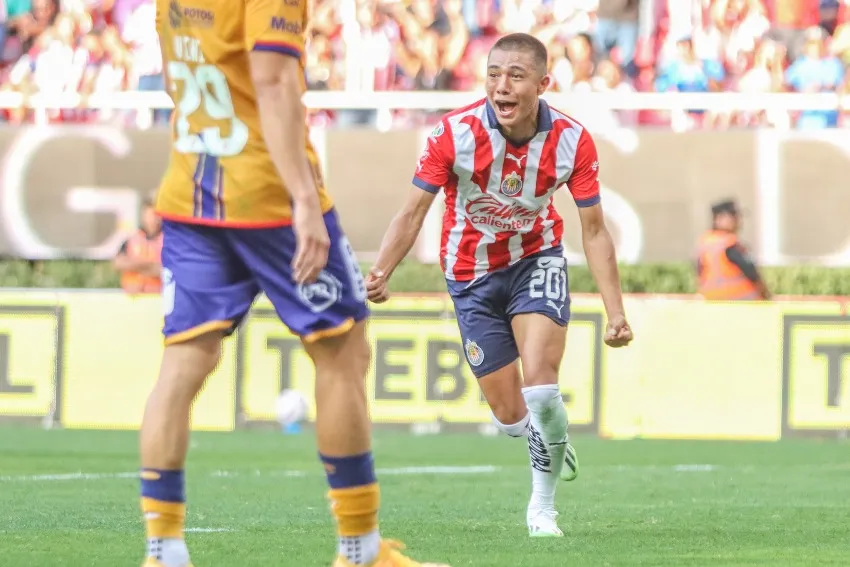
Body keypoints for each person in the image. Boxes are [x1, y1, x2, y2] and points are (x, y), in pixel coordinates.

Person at [141, 1, 450, 566]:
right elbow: (274, 79)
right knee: (341, 350)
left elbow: (172, 74)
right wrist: (304, 199)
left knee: (182, 362)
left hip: (191, 189)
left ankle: (163, 551)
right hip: (269, 195)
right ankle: (359, 552)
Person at [365, 33, 634, 538]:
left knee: (541, 385)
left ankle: (543, 508)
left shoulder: (572, 140)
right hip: (469, 274)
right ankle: (549, 438)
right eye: (493, 75)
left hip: (537, 259)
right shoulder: (454, 134)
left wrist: (615, 312)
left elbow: (594, 231)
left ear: (542, 83)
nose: (501, 87)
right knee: (512, 415)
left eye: (515, 76)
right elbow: (412, 212)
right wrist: (382, 270)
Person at [696, 199, 770, 301]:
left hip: (712, 303)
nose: (738, 221)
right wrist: (766, 295)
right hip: (742, 304)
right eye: (734, 217)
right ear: (719, 218)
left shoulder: (704, 243)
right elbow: (752, 273)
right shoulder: (729, 244)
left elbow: (699, 273)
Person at [114, 198, 163, 295]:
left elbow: (164, 270)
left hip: (157, 297)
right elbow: (118, 263)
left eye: (154, 215)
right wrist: (147, 266)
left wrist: (134, 266)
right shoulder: (132, 239)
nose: (152, 219)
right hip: (132, 297)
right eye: (148, 215)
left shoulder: (167, 241)